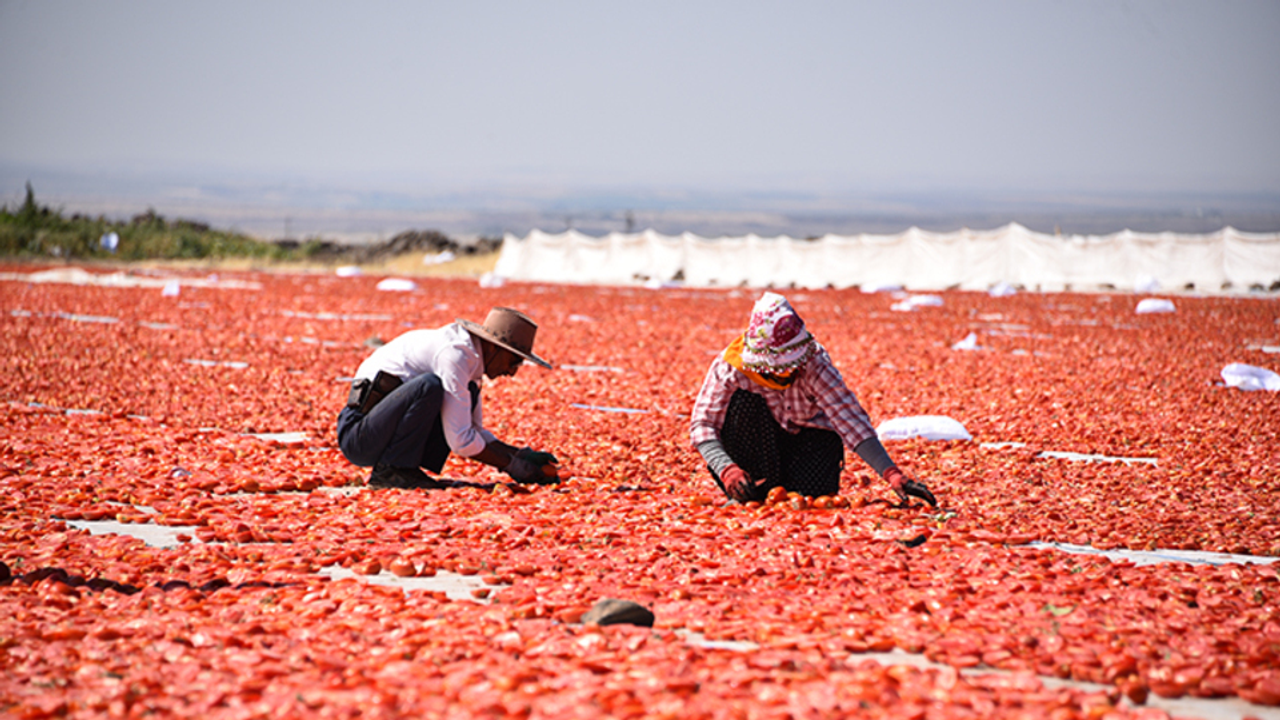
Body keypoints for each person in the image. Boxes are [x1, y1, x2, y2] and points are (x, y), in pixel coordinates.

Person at [689, 292, 937, 506]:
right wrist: (726, 469)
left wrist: (891, 473)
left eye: (791, 364)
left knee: (812, 500)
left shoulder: (814, 364)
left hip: (808, 443)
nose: (787, 370)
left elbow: (849, 420)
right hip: (756, 444)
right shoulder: (731, 367)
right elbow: (703, 424)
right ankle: (747, 489)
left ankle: (780, 489)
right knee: (743, 402)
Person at [337, 307, 559, 489]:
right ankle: (392, 471)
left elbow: (473, 430)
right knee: (429, 386)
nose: (512, 372)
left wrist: (519, 455)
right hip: (359, 436)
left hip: (379, 433)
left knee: (461, 392)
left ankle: (402, 468)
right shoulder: (455, 354)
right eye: (513, 361)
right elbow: (460, 440)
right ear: (494, 347)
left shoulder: (472, 362)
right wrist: (510, 465)